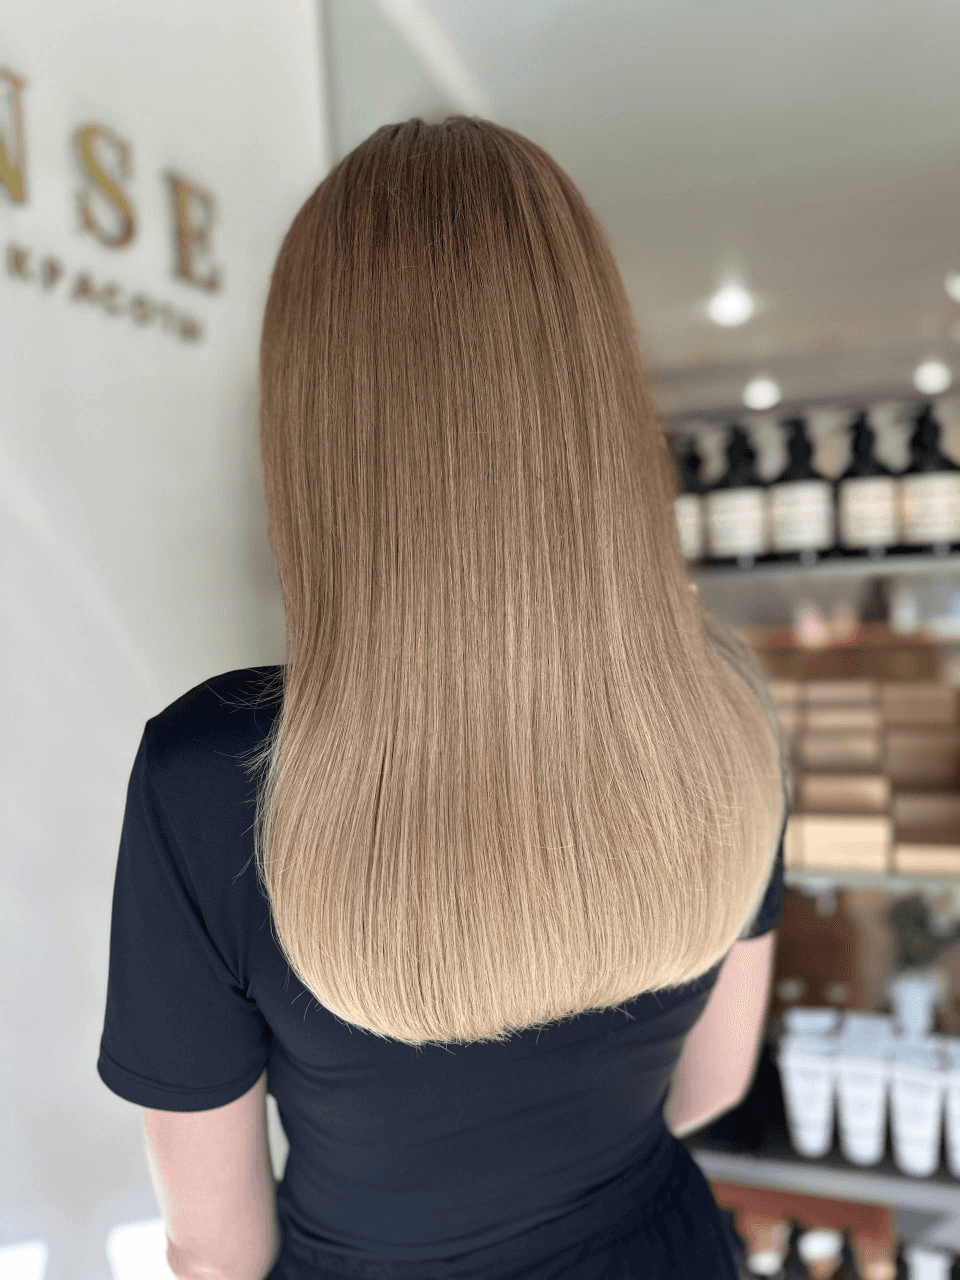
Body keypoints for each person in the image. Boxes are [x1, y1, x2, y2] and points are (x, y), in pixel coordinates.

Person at [99, 115, 790, 1279]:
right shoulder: (721, 707)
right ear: (594, 392)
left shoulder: (210, 775)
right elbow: (712, 1083)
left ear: (315, 421)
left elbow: (215, 1249)